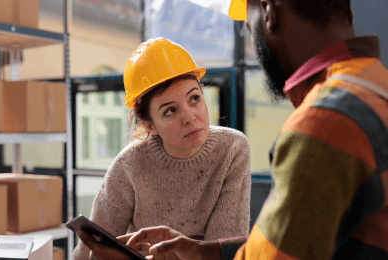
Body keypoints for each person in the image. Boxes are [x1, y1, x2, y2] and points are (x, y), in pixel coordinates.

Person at [76, 0, 388, 259]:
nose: (190, 117)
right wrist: (203, 251)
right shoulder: (373, 84)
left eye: (249, 26)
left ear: (268, 12)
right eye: (170, 110)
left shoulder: (324, 122)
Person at [73, 37, 252, 260]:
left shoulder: (232, 149)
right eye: (170, 111)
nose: (190, 117)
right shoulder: (130, 164)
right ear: (149, 124)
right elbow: (88, 252)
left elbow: (223, 254)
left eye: (194, 98)